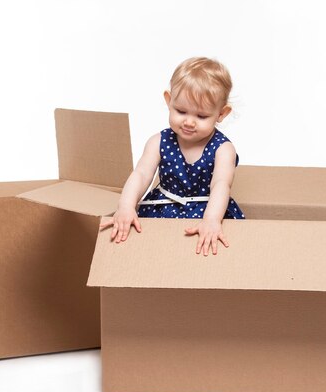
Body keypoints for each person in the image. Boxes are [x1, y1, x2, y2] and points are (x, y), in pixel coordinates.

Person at [100, 57, 245, 256]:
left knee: (210, 249)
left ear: (221, 113)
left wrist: (211, 220)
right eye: (181, 111)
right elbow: (141, 174)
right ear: (169, 101)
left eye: (201, 116)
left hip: (207, 210)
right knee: (150, 249)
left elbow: (221, 184)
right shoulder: (159, 141)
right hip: (164, 207)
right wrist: (126, 206)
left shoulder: (223, 149)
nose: (189, 122)